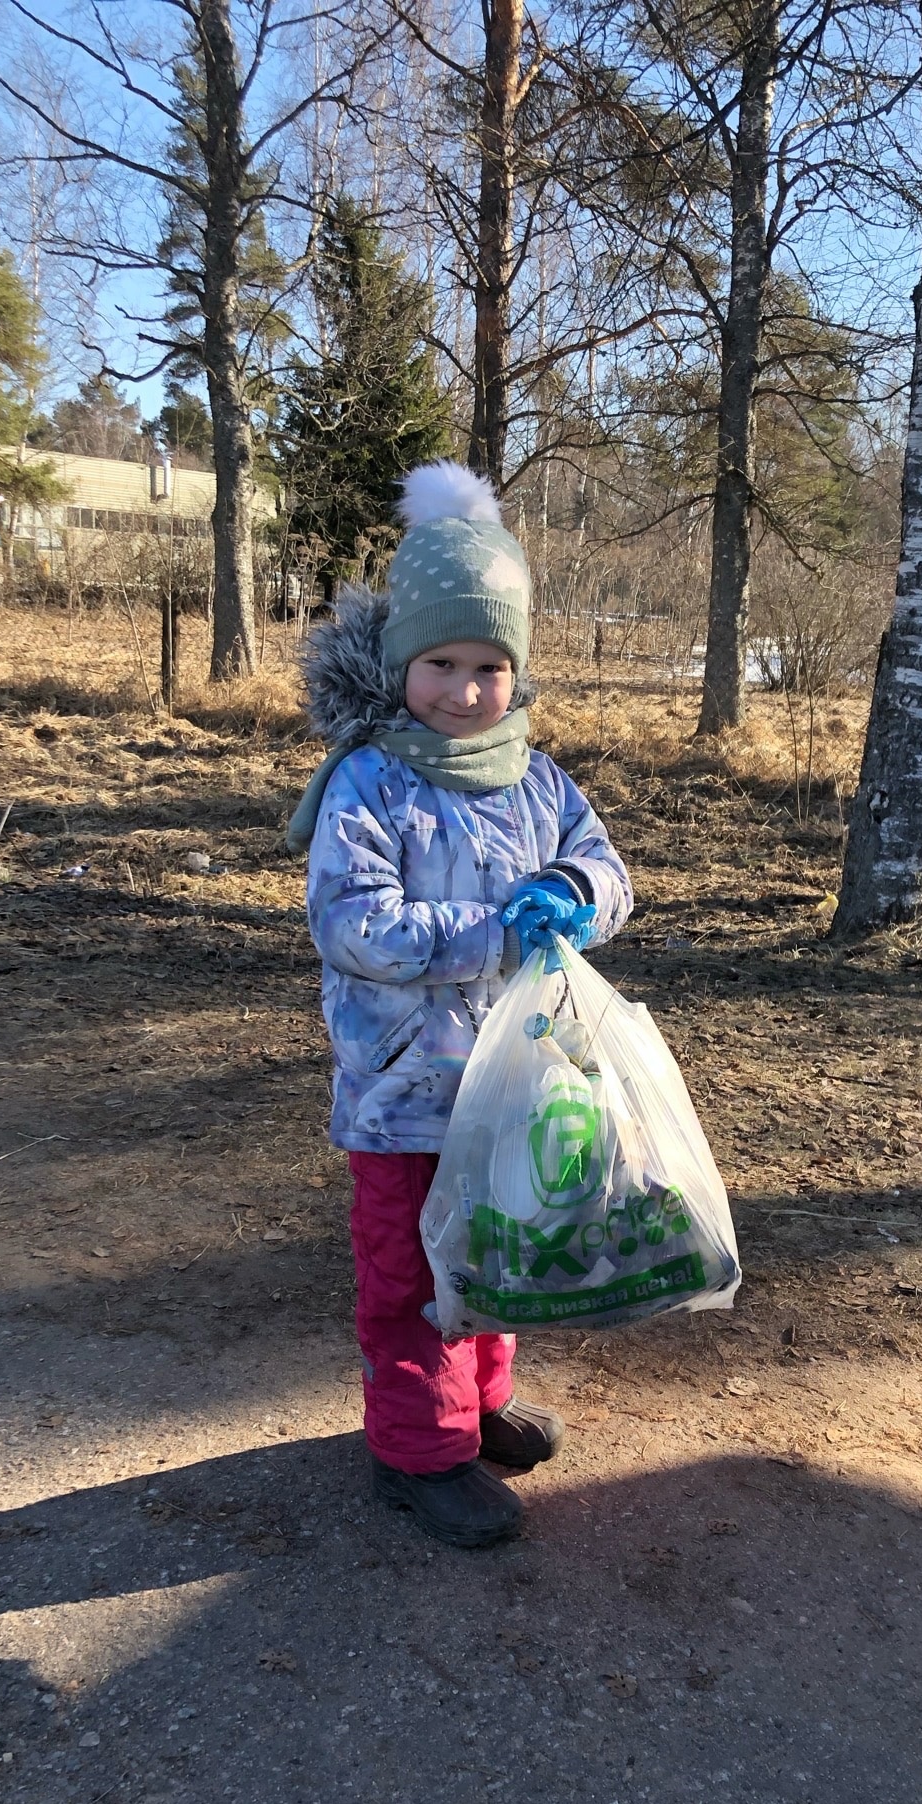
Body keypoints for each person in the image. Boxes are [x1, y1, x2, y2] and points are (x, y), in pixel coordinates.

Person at [287, 460, 634, 1548]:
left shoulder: (537, 778)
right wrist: (494, 931)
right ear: (401, 665)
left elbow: (609, 869)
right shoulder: (370, 782)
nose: (466, 689)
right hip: (403, 1090)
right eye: (442, 662)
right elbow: (358, 927)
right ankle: (415, 1453)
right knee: (412, 1272)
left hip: (511, 1079)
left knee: (495, 1249)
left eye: (491, 667)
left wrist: (574, 898)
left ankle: (472, 1406)